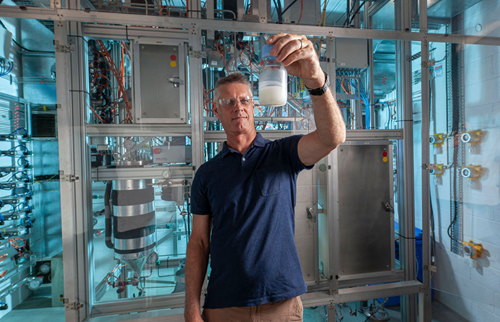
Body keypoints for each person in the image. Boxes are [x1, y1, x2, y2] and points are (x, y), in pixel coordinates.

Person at [184, 33, 346, 322]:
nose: (238, 107)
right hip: (224, 305)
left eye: (244, 100)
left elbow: (332, 138)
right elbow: (199, 242)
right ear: (216, 110)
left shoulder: (281, 154)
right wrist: (192, 307)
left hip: (280, 303)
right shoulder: (207, 174)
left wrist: (314, 78)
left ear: (254, 106)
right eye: (228, 102)